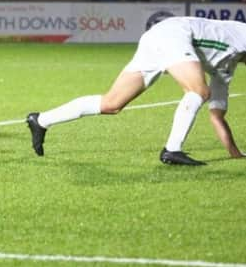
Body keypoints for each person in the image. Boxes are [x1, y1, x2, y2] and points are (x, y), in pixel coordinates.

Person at [26, 16, 246, 166]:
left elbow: (217, 116)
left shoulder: (225, 68)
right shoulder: (241, 34)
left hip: (158, 39)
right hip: (174, 34)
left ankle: (41, 120)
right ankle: (172, 150)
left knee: (111, 104)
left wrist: (236, 154)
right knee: (198, 90)